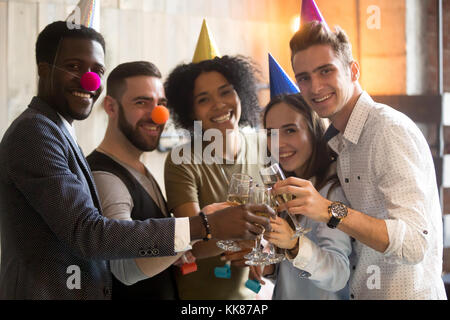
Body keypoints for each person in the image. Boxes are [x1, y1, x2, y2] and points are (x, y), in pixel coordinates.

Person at [0, 21, 274, 300]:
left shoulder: (59, 132)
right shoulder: (34, 133)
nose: (90, 81)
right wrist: (204, 225)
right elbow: (91, 235)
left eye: (97, 71)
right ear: (44, 70)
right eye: (74, 66)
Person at [273, 21, 447, 299]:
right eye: (304, 77)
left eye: (326, 71)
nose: (315, 87)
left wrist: (331, 211)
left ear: (353, 70)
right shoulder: (342, 142)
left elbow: (415, 243)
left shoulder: (387, 130)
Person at [164, 55, 267, 299]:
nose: (219, 104)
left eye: (226, 92)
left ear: (240, 92)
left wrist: (262, 246)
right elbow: (191, 242)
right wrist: (247, 240)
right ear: (190, 112)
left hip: (254, 296)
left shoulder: (262, 145)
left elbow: (278, 224)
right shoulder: (182, 160)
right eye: (203, 99)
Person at [87, 61, 189, 299]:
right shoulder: (104, 176)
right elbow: (126, 268)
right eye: (142, 102)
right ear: (111, 107)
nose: (157, 114)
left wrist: (173, 251)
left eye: (161, 104)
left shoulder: (140, 167)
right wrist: (200, 228)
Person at [250, 93, 351, 300]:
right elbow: (297, 276)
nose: (278, 144)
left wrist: (295, 244)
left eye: (290, 130)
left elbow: (338, 275)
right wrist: (269, 267)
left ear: (314, 130)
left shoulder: (331, 192)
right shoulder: (287, 189)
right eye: (271, 133)